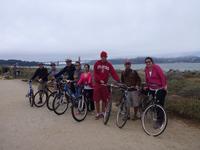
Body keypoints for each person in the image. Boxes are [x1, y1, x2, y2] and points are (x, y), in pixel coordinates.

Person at [93, 51, 120, 119]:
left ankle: (103, 112)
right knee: (97, 100)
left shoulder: (109, 64)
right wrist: (99, 80)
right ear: (101, 57)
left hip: (104, 84)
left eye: (105, 57)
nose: (103, 58)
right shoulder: (96, 63)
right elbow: (95, 74)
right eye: (102, 57)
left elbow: (113, 73)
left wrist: (118, 80)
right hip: (97, 84)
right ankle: (98, 113)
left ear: (106, 57)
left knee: (104, 99)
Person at [144, 57, 167, 128]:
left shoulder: (157, 67)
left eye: (149, 62)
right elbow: (147, 79)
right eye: (146, 62)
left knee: (159, 104)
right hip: (151, 88)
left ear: (152, 62)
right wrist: (147, 86)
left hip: (159, 88)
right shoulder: (146, 69)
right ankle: (145, 110)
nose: (148, 63)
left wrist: (164, 86)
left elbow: (162, 77)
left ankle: (160, 120)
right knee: (143, 93)